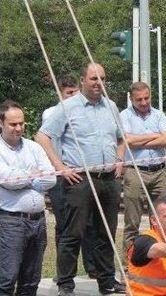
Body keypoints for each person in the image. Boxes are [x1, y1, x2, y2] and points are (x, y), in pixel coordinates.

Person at [35, 62, 125, 296]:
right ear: (83, 80)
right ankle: (65, 283)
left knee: (106, 232)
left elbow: (121, 138)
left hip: (108, 179)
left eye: (103, 79)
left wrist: (120, 159)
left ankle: (106, 280)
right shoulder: (68, 107)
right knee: (73, 233)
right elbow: (43, 136)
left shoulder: (111, 106)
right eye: (94, 79)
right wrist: (60, 168)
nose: (99, 84)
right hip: (80, 180)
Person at [0, 101, 56, 296]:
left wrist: (26, 177)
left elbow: (51, 178)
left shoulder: (34, 147)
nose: (18, 128)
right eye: (12, 124)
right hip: (10, 221)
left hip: (37, 221)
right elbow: (6, 180)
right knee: (7, 276)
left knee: (30, 278)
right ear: (1, 124)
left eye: (21, 123)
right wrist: (32, 176)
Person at [41, 75, 98, 280]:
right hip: (60, 174)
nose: (73, 97)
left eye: (76, 93)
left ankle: (92, 267)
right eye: (69, 93)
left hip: (81, 173)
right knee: (65, 224)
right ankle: (64, 271)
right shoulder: (52, 113)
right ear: (60, 93)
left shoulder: (83, 112)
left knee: (89, 223)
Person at [119, 81, 166, 256]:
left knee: (160, 219)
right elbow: (129, 142)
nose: (143, 103)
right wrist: (156, 135)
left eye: (146, 98)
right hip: (135, 171)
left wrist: (140, 139)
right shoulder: (124, 116)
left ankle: (159, 260)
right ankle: (129, 264)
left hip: (159, 172)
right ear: (131, 99)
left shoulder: (158, 115)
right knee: (132, 221)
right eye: (139, 99)